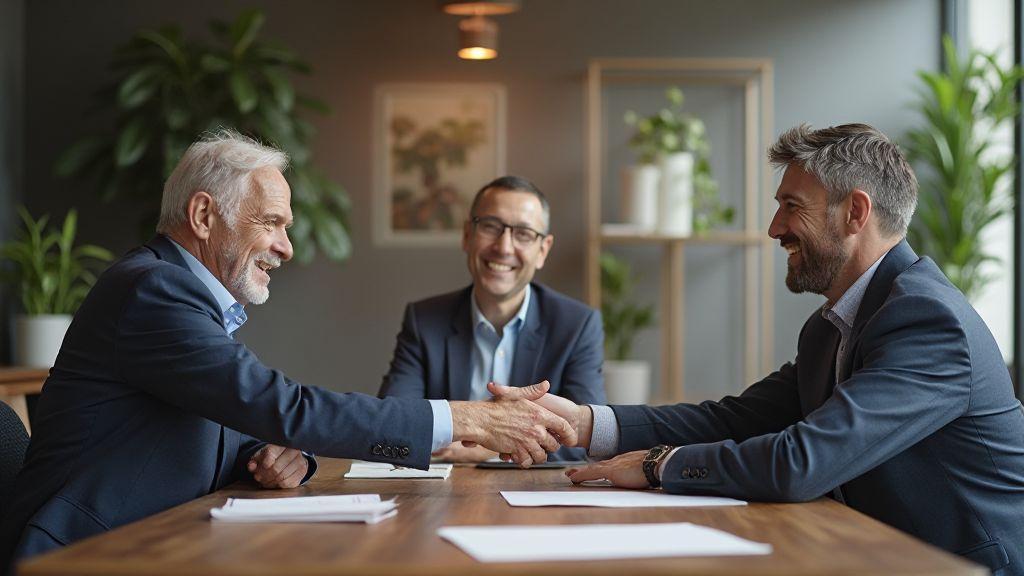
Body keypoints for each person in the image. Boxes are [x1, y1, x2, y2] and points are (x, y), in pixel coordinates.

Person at [0, 131, 575, 572]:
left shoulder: (185, 294)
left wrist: (287, 455)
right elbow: (276, 402)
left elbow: (232, 414)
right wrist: (469, 417)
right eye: (272, 223)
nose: (287, 246)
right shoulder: (153, 289)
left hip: (151, 539)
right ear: (204, 216)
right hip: (80, 553)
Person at [494, 124, 1024, 575]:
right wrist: (586, 423)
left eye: (791, 207)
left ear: (855, 212)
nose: (775, 229)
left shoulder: (929, 321)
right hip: (878, 553)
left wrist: (659, 465)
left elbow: (803, 462)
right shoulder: (832, 327)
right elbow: (735, 419)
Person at [379, 176, 605, 462]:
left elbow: (582, 438)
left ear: (542, 250)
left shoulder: (576, 325)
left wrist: (481, 448)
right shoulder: (424, 321)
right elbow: (393, 423)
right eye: (490, 227)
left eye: (523, 233)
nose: (504, 247)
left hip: (536, 498)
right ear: (466, 236)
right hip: (440, 498)